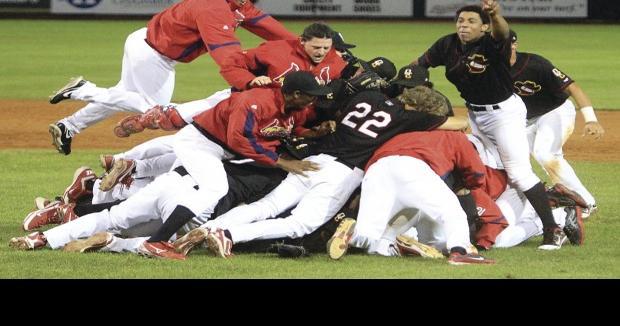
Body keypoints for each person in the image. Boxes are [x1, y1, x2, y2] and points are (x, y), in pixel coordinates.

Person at [9, 71, 329, 258]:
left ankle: (50, 229)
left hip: (179, 176)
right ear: (296, 93)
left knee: (117, 212)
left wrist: (308, 131)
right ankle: (152, 237)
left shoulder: (283, 110)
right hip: (200, 157)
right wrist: (282, 160)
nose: (313, 102)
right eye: (310, 96)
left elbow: (279, 129)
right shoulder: (254, 107)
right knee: (210, 189)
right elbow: (240, 141)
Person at [173, 85, 468, 259]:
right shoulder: (407, 117)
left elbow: (338, 113)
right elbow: (455, 124)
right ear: (416, 106)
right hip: (341, 172)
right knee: (299, 224)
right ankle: (229, 234)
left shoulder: (367, 96)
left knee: (267, 206)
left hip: (315, 158)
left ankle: (209, 229)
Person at [47, 0, 296, 155]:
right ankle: (82, 89)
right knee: (156, 109)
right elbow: (225, 53)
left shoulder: (237, 5)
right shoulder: (214, 8)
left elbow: (266, 25)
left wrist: (300, 46)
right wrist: (246, 78)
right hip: (153, 55)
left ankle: (68, 126)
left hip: (148, 45)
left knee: (125, 95)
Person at [413, 1, 567, 250]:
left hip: (504, 114)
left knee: (518, 172)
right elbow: (419, 65)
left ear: (484, 26)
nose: (464, 25)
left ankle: (552, 228)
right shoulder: (447, 44)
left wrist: (496, 15)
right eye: (461, 20)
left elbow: (503, 32)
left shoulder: (492, 44)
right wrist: (410, 84)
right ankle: (497, 212)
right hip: (475, 114)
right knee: (488, 164)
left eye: (471, 21)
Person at [326, 87, 496, 265]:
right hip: (412, 168)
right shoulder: (452, 135)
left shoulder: (400, 130)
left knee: (370, 235)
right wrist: (465, 185)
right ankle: (460, 251)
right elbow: (476, 174)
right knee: (452, 211)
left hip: (376, 169)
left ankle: (353, 235)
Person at [112, 22, 347, 139]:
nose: (321, 52)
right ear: (302, 41)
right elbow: (233, 63)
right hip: (241, 100)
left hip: (284, 116)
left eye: (326, 48)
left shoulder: (336, 62)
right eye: (316, 47)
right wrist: (249, 81)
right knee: (181, 119)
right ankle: (151, 118)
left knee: (204, 137)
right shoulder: (277, 50)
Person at [509, 30, 604, 218]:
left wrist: (591, 119)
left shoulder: (535, 64)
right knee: (515, 160)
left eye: (504, 44)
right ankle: (555, 201)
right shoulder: (493, 69)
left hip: (556, 110)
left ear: (514, 45)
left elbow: (573, 87)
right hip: (525, 119)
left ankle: (586, 203)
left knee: (546, 154)